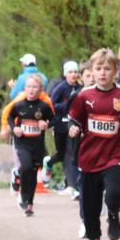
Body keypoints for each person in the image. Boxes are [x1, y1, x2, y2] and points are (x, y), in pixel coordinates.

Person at [67, 48, 120, 240]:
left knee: (116, 190)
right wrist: (73, 129)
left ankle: (113, 213)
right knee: (90, 204)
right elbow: (74, 119)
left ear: (116, 72)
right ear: (92, 72)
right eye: (98, 68)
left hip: (115, 154)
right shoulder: (83, 96)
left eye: (107, 69)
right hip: (89, 156)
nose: (102, 73)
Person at [7, 75, 53, 216]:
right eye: (28, 87)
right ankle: (21, 187)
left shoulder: (44, 107)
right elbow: (9, 116)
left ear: (40, 89)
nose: (31, 90)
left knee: (33, 174)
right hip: (22, 143)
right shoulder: (19, 105)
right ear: (24, 89)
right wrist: (14, 128)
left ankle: (29, 204)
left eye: (34, 87)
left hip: (37, 145)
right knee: (26, 166)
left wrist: (46, 124)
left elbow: (53, 119)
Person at [47, 60, 82, 195]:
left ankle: (72, 186)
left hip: (73, 126)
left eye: (75, 72)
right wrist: (68, 105)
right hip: (60, 125)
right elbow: (52, 105)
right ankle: (49, 163)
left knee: (71, 154)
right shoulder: (61, 87)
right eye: (70, 72)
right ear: (65, 74)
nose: (73, 75)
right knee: (62, 154)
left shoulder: (80, 88)